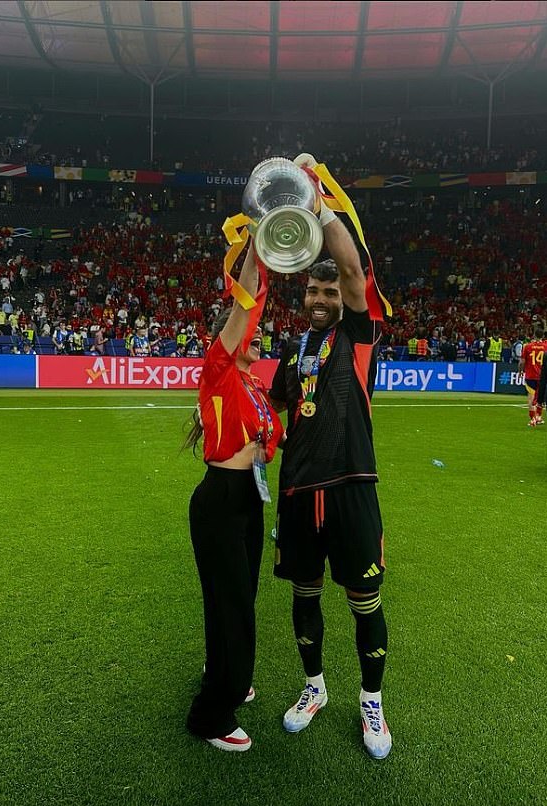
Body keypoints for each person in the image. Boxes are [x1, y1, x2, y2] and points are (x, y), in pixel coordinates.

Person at [268, 153, 392, 760]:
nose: (321, 296)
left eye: (330, 290)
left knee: (364, 601)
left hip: (352, 489)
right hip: (299, 496)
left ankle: (371, 701)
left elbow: (348, 260)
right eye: (313, 289)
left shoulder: (358, 337)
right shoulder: (293, 357)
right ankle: (313, 688)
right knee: (305, 596)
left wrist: (312, 204)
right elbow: (275, 420)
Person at [184, 243, 284, 753]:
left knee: (239, 601)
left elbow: (275, 440)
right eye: (253, 331)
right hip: (221, 501)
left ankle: (227, 674)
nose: (259, 336)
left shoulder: (253, 385)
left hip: (250, 499)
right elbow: (246, 303)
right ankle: (210, 713)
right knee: (233, 609)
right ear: (231, 336)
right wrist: (262, 247)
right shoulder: (219, 370)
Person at [519, 326, 546, 426]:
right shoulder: (545, 346)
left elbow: (522, 362)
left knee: (531, 398)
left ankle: (533, 419)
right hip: (542, 376)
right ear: (543, 336)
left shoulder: (527, 346)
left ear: (534, 335)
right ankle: (539, 417)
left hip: (530, 376)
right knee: (540, 398)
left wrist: (520, 371)